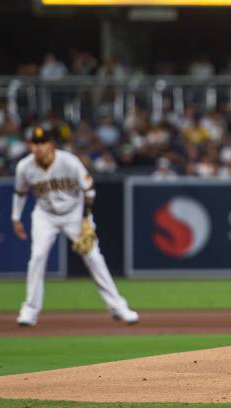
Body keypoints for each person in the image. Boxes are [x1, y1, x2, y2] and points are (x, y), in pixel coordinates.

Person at [12, 127, 139, 326]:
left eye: (42, 143)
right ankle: (29, 311)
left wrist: (86, 219)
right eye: (35, 143)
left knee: (94, 257)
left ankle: (118, 307)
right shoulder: (24, 167)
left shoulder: (68, 162)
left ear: (51, 144)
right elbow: (20, 193)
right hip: (45, 216)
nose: (38, 147)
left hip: (75, 215)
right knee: (37, 257)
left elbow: (88, 190)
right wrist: (15, 217)